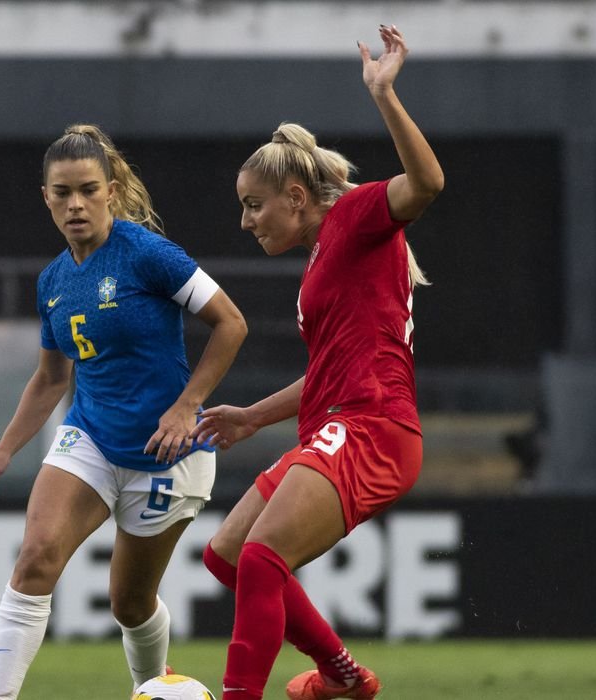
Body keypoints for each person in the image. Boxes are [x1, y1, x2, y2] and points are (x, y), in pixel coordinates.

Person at [190, 26, 444, 700]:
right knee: (228, 559)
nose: (246, 223)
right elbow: (325, 370)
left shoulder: (355, 218)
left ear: (296, 198)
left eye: (254, 205)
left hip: (372, 428)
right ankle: (346, 679)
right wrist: (253, 416)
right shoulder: (322, 259)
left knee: (264, 556)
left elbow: (427, 182)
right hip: (336, 424)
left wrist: (384, 96)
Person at [0, 123, 248, 698]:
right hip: (89, 436)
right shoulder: (53, 282)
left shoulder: (148, 254)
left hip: (166, 454)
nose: (75, 204)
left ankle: (150, 688)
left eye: (88, 190)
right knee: (35, 558)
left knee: (130, 602)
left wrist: (187, 406)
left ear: (111, 190)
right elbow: (50, 377)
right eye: (62, 193)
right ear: (45, 197)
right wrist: (3, 450)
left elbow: (230, 323)